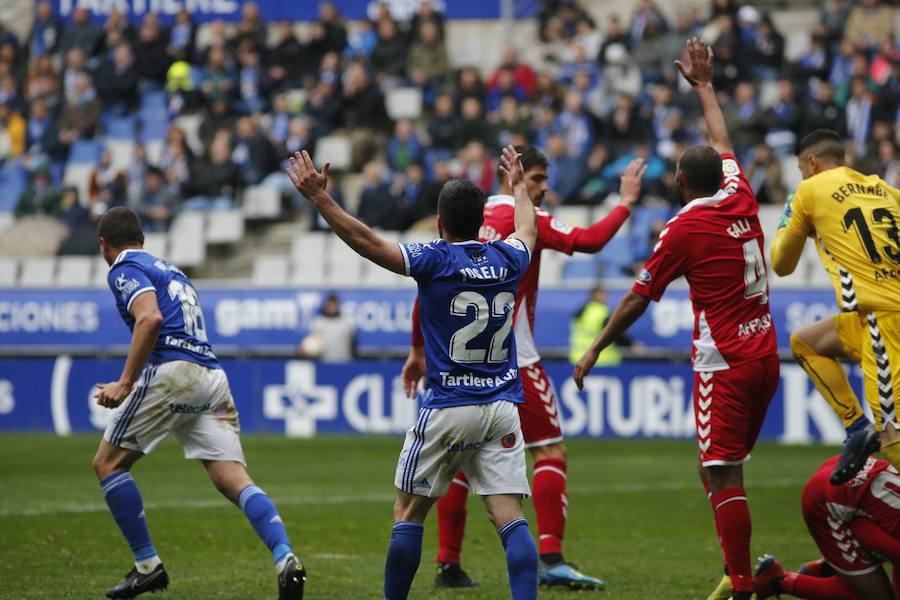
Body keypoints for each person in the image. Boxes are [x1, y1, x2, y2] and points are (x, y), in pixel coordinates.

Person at [573, 38, 780, 600]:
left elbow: (640, 297)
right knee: (716, 467)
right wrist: (706, 88)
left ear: (682, 183)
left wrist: (594, 345)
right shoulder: (740, 193)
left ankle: (740, 584)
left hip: (725, 364)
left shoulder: (684, 228)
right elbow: (723, 140)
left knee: (721, 474)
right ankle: (734, 566)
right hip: (765, 355)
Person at [287, 146, 539, 600]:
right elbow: (527, 229)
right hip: (502, 406)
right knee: (511, 517)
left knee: (408, 511)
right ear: (482, 219)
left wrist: (321, 200)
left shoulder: (435, 260)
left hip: (447, 406)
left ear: (440, 224)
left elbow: (367, 242)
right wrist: (519, 188)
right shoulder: (509, 259)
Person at [403, 145, 641, 590]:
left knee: (455, 460)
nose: (543, 188)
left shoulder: (466, 221)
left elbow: (426, 289)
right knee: (550, 451)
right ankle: (550, 557)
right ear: (514, 178)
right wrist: (625, 201)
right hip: (515, 361)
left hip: (455, 365)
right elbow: (590, 241)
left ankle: (448, 563)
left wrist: (417, 350)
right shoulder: (528, 218)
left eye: (545, 180)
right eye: (535, 179)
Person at [90, 207, 306, 600]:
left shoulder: (122, 267)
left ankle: (147, 567)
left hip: (174, 374)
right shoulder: (172, 269)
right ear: (143, 238)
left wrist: (126, 382)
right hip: (210, 377)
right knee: (232, 478)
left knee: (107, 464)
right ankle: (284, 555)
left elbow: (150, 319)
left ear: (104, 244)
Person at [770, 126, 900, 485]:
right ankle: (857, 429)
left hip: (883, 322)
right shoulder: (884, 189)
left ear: (812, 164)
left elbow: (781, 264)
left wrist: (792, 222)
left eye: (800, 170)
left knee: (893, 441)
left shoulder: (809, 191)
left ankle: (870, 432)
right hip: (872, 316)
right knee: (806, 343)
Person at [754, 455, 900, 600]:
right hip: (829, 499)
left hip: (853, 464)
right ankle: (779, 581)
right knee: (877, 595)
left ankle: (824, 569)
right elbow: (862, 531)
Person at [569, 285, 629, 366]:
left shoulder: (581, 312)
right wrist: (631, 345)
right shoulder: (603, 312)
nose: (606, 297)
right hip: (602, 359)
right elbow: (615, 333)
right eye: (603, 294)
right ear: (595, 295)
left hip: (578, 359)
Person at [300, 293, 356, 362]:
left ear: (338, 305)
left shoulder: (346, 323)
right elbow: (310, 345)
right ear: (325, 305)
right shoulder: (317, 323)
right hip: (323, 365)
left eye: (334, 305)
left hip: (343, 364)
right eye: (330, 304)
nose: (332, 307)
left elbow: (353, 346)